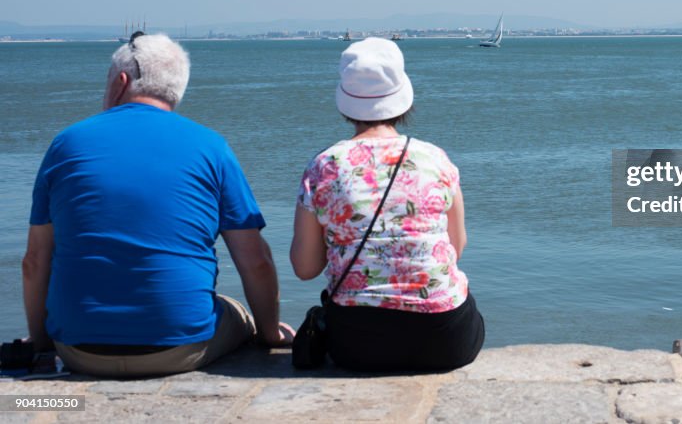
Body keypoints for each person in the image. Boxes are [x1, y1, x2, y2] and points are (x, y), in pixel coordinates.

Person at [22, 32, 294, 377]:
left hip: (79, 350)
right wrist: (270, 335)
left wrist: (43, 343)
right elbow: (255, 261)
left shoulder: (66, 144)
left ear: (121, 82)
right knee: (235, 311)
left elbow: (34, 262)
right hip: (178, 349)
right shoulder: (211, 147)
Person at [290, 37, 484, 371]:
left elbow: (305, 269)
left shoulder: (324, 166)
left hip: (357, 344)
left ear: (346, 103)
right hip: (445, 341)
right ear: (402, 100)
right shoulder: (435, 159)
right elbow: (456, 247)